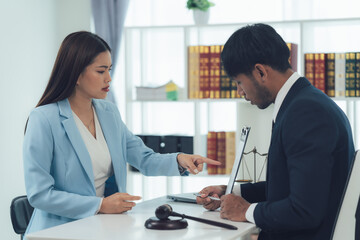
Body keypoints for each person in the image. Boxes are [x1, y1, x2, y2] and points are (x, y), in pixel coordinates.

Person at [23, 31, 220, 237]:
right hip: (57, 231)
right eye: (100, 71)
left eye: (109, 69)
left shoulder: (109, 113)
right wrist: (100, 204)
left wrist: (180, 160)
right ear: (76, 74)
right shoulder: (44, 119)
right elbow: (40, 194)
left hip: (102, 227)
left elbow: (144, 159)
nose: (109, 78)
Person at [196, 23, 355, 240]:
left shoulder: (306, 113)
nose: (239, 92)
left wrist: (245, 211)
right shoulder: (303, 103)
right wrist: (232, 192)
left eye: (239, 82)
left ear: (260, 71)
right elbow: (292, 187)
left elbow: (304, 210)